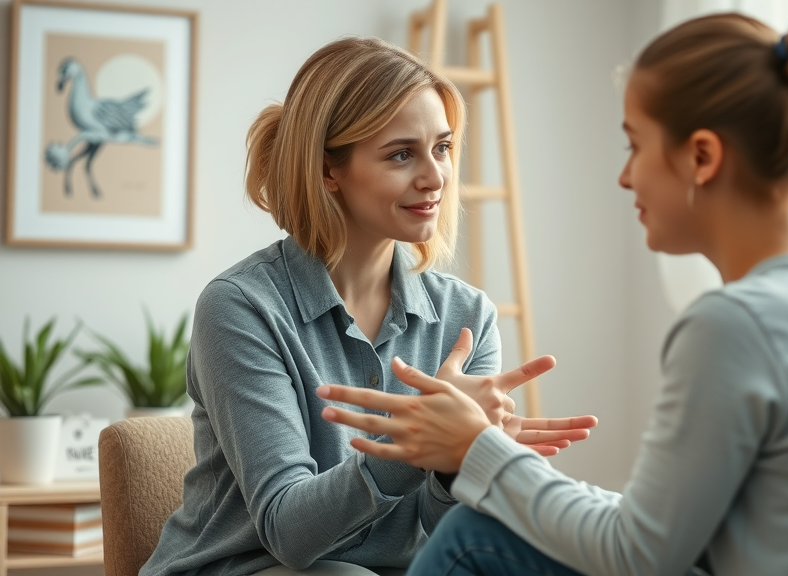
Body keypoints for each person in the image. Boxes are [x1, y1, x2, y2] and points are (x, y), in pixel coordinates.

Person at [316, 14, 788, 576]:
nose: (625, 175)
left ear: (702, 157)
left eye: (635, 144)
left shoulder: (733, 325)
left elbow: (637, 554)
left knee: (471, 539)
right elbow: (666, 531)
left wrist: (476, 446)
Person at [139, 37, 597, 576]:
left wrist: (457, 465)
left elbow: (440, 528)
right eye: (401, 154)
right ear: (329, 170)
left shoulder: (467, 319)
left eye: (443, 148)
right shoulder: (241, 308)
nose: (435, 177)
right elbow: (288, 529)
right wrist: (422, 439)